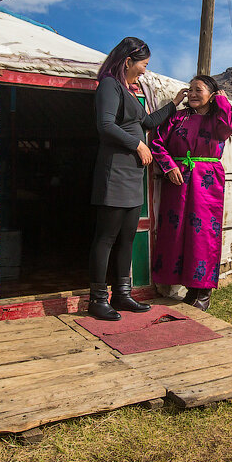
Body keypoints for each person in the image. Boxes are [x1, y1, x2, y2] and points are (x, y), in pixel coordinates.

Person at [89, 37, 187, 320]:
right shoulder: (109, 85)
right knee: (106, 238)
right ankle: (97, 300)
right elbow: (105, 125)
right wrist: (138, 145)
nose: (145, 71)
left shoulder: (129, 92)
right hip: (114, 173)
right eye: (143, 64)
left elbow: (147, 123)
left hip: (132, 176)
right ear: (128, 61)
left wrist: (174, 104)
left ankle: (122, 295)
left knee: (128, 238)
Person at [149, 74, 232, 311]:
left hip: (206, 181)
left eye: (199, 90)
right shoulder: (178, 118)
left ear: (213, 94)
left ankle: (203, 291)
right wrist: (169, 166)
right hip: (178, 180)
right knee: (177, 231)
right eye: (190, 90)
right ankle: (188, 288)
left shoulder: (219, 117)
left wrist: (223, 102)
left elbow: (228, 128)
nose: (193, 94)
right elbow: (156, 141)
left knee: (202, 234)